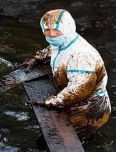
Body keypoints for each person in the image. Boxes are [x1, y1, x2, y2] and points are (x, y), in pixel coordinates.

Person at [21, 9, 111, 139]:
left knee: (64, 141)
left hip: (89, 110)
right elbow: (53, 49)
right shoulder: (64, 41)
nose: (51, 35)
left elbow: (79, 89)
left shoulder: (81, 56)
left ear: (67, 29)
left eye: (56, 31)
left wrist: (53, 101)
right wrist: (37, 57)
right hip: (74, 102)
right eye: (47, 30)